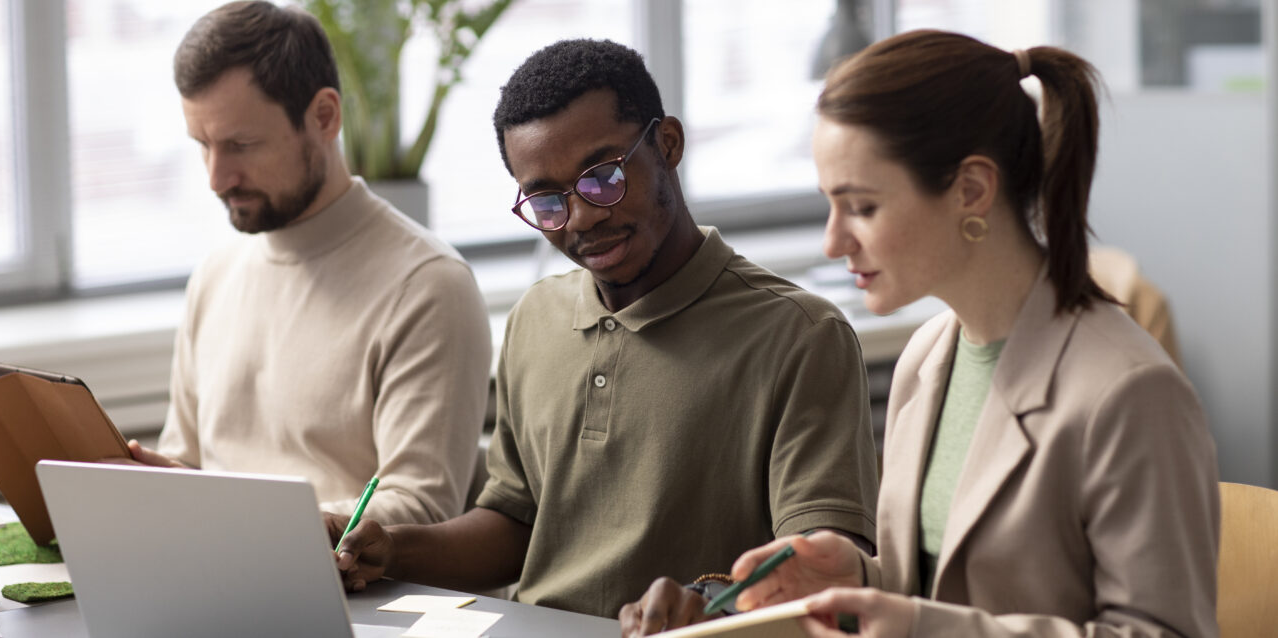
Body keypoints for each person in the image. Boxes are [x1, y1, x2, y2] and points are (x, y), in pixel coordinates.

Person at [621, 30, 1219, 638]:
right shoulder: (928, 358)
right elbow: (942, 590)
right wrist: (856, 579)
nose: (833, 242)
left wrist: (915, 626)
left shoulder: (1131, 393)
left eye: (863, 207)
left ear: (972, 190)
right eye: (831, 204)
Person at [330, 38, 880, 619]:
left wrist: (707, 602)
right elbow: (516, 526)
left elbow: (822, 568)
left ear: (667, 144)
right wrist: (390, 547)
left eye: (604, 177)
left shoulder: (800, 335)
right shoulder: (535, 320)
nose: (584, 217)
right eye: (546, 200)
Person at [123, 1, 492, 528]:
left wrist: (250, 527)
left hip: (357, 601)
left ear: (324, 116)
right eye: (202, 145)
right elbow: (189, 466)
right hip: (217, 580)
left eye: (240, 145)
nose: (215, 177)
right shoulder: (215, 276)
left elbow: (421, 509)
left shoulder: (428, 286)